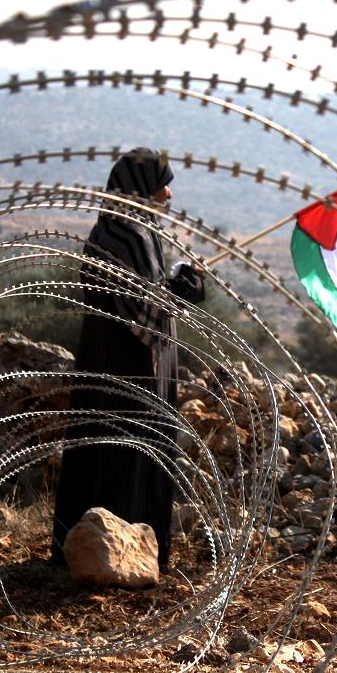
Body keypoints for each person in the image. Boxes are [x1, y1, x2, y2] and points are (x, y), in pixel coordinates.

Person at [51, 148, 205, 573]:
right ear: (140, 189)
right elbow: (147, 311)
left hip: (106, 361)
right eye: (161, 185)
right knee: (131, 452)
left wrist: (178, 281)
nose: (168, 194)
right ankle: (123, 557)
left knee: (103, 449)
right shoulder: (133, 238)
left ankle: (89, 549)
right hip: (132, 367)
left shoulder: (112, 229)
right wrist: (186, 287)